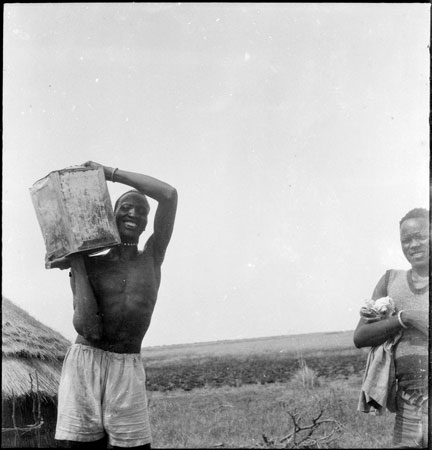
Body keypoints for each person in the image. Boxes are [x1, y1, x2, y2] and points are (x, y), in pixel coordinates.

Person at [55, 161, 178, 449]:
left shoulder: (152, 257)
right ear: (112, 215)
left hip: (128, 364)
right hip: (86, 361)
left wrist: (109, 174)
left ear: (149, 222)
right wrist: (77, 261)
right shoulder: (89, 264)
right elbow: (88, 327)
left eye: (142, 211)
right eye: (126, 207)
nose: (134, 212)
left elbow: (169, 195)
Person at [354, 208, 429, 448]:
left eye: (421, 236)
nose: (413, 244)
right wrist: (405, 318)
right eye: (406, 240)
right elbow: (361, 335)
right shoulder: (390, 281)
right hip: (408, 403)